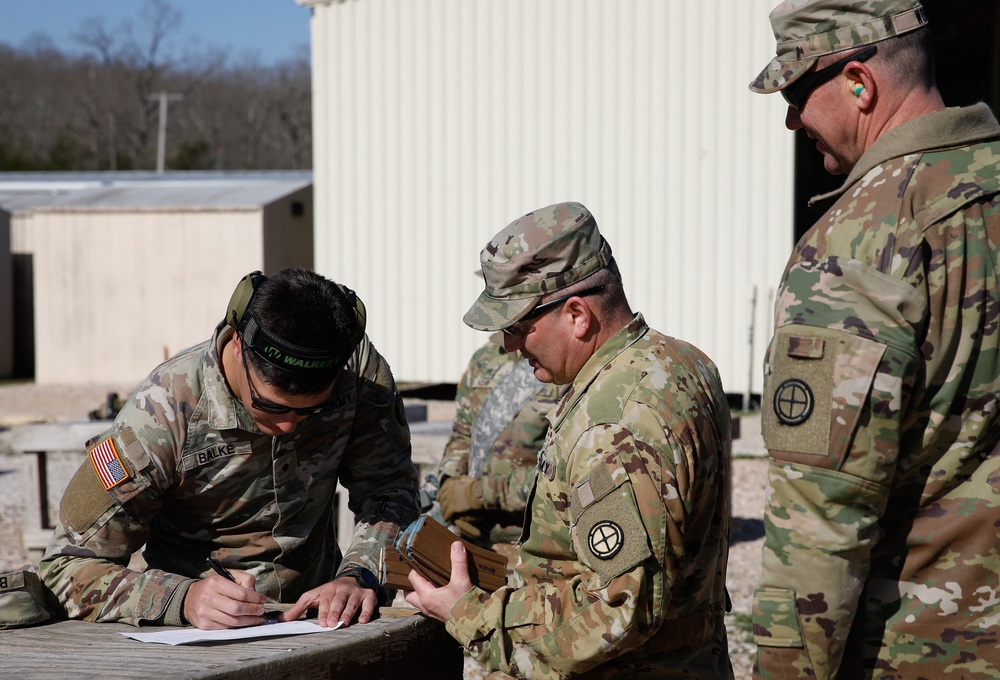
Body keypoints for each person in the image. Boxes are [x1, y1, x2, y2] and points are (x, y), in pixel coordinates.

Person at [748, 1, 1000, 677]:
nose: (790, 117)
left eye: (798, 92)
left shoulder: (857, 245)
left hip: (930, 652)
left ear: (860, 83)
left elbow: (818, 526)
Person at [406, 201, 734, 678]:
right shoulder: (683, 363)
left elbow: (618, 609)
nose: (509, 347)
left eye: (517, 327)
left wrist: (470, 614)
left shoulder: (612, 422)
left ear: (578, 314)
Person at [39, 268, 419, 630]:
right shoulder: (161, 414)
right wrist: (181, 599)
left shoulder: (358, 375)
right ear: (238, 344)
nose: (288, 425)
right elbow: (64, 569)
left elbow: (389, 490)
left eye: (311, 411)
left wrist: (360, 574)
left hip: (322, 621)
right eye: (271, 406)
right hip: (198, 633)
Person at [432, 332, 567, 556]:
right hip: (475, 537)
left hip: (535, 542)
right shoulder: (484, 359)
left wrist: (479, 493)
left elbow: (565, 473)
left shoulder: (563, 364)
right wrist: (451, 487)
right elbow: (464, 432)